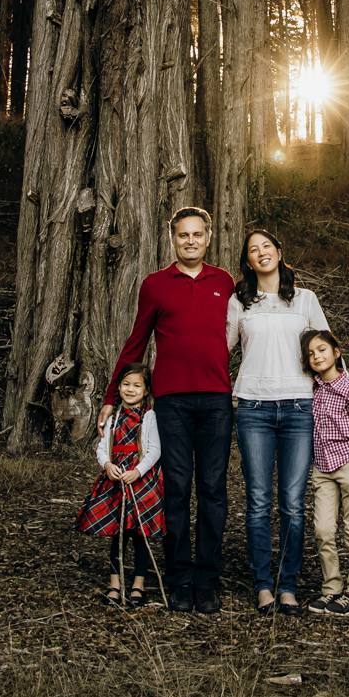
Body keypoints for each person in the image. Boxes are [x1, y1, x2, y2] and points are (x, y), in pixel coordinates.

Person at [101, 207, 235, 614]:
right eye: (183, 235)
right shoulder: (156, 285)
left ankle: (207, 579)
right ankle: (179, 580)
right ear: (173, 239)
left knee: (213, 489)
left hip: (216, 400)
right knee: (176, 489)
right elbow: (135, 343)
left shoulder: (224, 282)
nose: (190, 241)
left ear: (208, 237)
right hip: (172, 402)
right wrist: (110, 395)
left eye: (197, 234)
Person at [227, 228, 330, 616]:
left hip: (300, 408)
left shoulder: (305, 299)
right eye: (253, 250)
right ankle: (262, 586)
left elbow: (326, 349)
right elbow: (220, 350)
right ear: (248, 262)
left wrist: (345, 400)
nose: (261, 253)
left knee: (291, 503)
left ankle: (287, 585)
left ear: (279, 252)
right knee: (257, 502)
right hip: (253, 407)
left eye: (266, 246)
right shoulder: (240, 302)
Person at [75, 366, 164, 607]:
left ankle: (138, 584)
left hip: (140, 481)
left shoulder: (149, 416)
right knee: (118, 533)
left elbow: (155, 450)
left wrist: (138, 471)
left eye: (137, 385)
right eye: (126, 384)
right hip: (116, 480)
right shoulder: (112, 417)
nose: (130, 390)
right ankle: (115, 584)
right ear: (119, 388)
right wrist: (106, 465)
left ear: (146, 391)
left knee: (139, 534)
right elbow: (102, 447)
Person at [303, 328, 349, 616]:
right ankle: (331, 587)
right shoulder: (313, 387)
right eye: (310, 353)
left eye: (322, 350)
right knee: (323, 529)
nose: (316, 356)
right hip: (322, 468)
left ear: (336, 353)